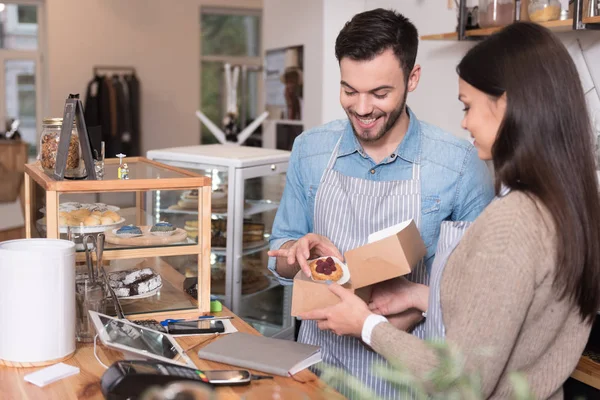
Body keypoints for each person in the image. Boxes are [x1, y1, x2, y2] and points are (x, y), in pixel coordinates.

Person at [299, 22, 600, 399]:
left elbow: (462, 381)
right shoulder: (563, 205)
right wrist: (420, 296)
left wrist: (366, 325)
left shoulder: (512, 222)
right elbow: (508, 309)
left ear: (506, 105)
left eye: (468, 106)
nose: (464, 121)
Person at [267, 8, 494, 398]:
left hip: (408, 380)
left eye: (380, 93)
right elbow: (279, 259)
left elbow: (482, 294)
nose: (362, 108)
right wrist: (295, 252)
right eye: (349, 90)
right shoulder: (311, 150)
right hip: (315, 374)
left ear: (413, 78)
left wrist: (403, 313)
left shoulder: (459, 164)